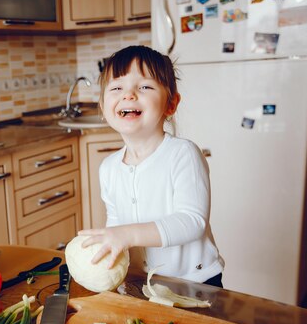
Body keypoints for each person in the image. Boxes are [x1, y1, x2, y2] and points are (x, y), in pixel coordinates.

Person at [79, 45, 225, 287]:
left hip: (196, 282)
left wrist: (127, 235)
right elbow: (116, 222)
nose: (129, 95)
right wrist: (111, 251)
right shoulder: (108, 168)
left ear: (171, 104)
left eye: (144, 86)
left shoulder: (184, 154)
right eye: (116, 88)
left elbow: (192, 221)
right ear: (103, 107)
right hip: (142, 281)